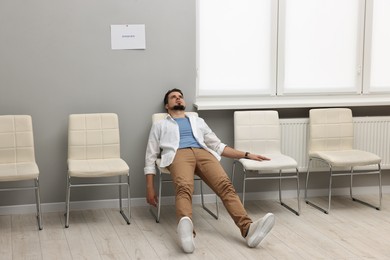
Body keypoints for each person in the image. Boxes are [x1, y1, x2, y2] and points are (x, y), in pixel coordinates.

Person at [144, 88, 275, 253]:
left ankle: (248, 230)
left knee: (226, 186)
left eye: (180, 97)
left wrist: (247, 155)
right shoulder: (160, 125)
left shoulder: (198, 121)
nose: (178, 99)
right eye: (173, 97)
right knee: (184, 188)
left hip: (203, 153)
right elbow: (150, 155)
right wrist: (149, 187)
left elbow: (218, 146)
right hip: (178, 154)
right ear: (167, 105)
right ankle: (187, 236)